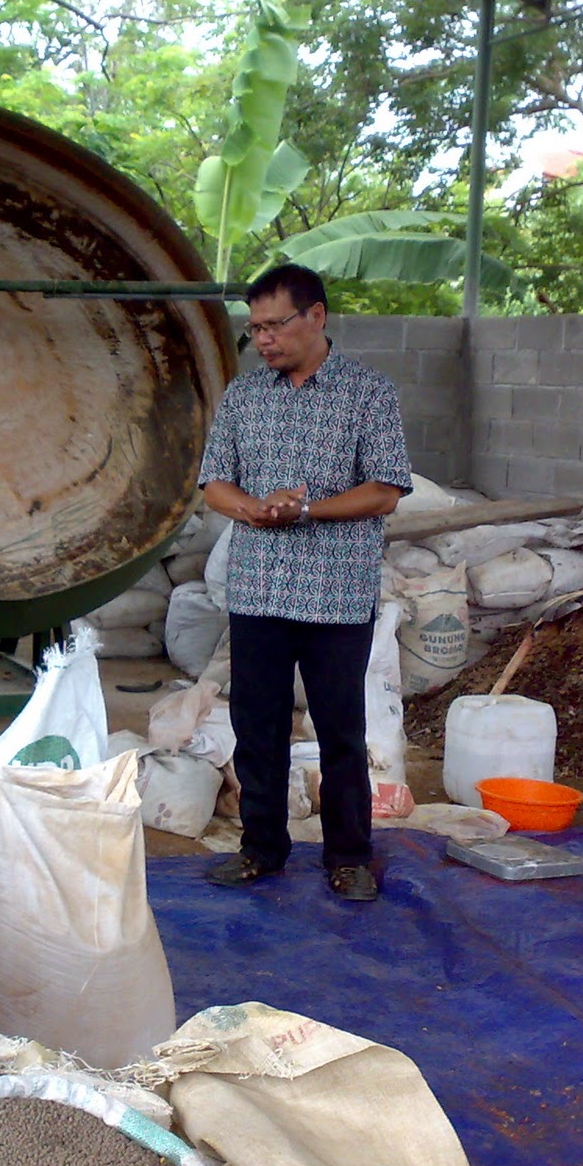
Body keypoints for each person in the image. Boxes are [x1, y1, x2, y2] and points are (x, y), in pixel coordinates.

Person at [197, 264, 413, 903]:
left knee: (339, 730)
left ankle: (348, 856)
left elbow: (386, 489)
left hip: (335, 593)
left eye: (274, 325)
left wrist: (307, 510)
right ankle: (261, 849)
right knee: (257, 726)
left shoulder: (367, 392)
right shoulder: (245, 395)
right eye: (255, 328)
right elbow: (214, 482)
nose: (262, 339)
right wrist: (253, 508)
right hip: (259, 590)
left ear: (316, 316)